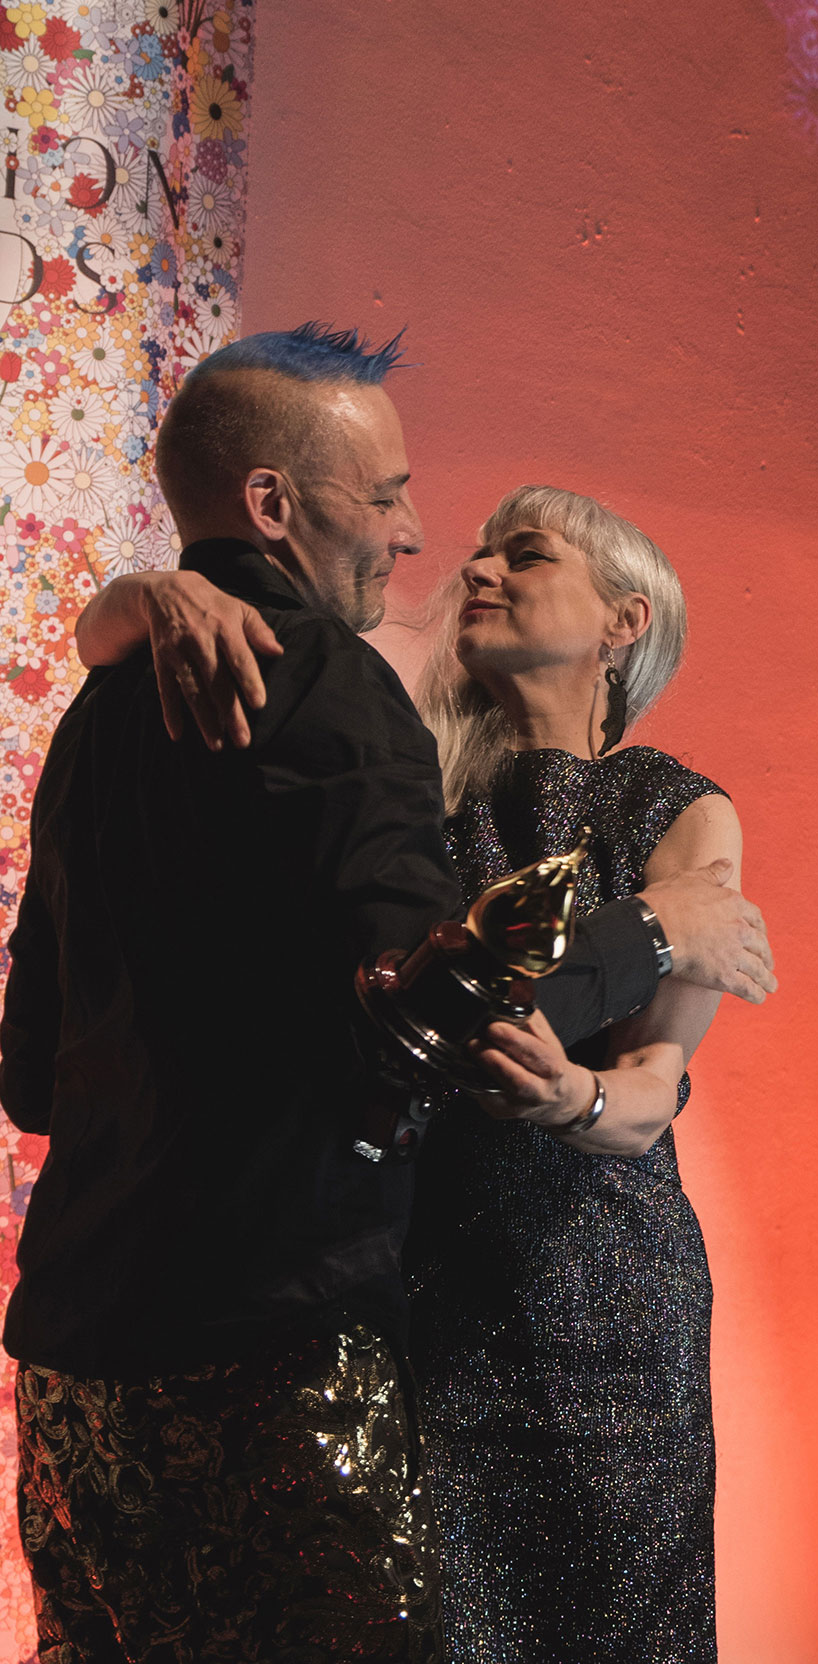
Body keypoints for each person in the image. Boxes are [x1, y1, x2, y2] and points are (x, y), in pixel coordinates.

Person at [7, 325, 774, 1664]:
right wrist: (651, 931)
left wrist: (137, 601)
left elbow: (28, 1070)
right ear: (275, 503)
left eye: (514, 548)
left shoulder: (100, 711)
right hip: (288, 1335)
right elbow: (424, 1024)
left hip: (85, 1348)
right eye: (387, 500)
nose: (424, 539)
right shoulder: (350, 704)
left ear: (627, 621)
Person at [403, 486, 737, 1664]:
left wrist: (570, 1099)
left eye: (524, 554)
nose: (481, 569)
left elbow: (655, 1082)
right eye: (479, 553)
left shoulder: (679, 810)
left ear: (622, 621)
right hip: (433, 1286)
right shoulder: (419, 801)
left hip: (607, 1297)